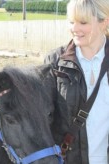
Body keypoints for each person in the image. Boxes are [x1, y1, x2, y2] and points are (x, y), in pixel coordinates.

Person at [44, 0, 109, 163]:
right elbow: (42, 118)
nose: (74, 28)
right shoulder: (55, 62)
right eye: (72, 22)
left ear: (104, 22)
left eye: (83, 22)